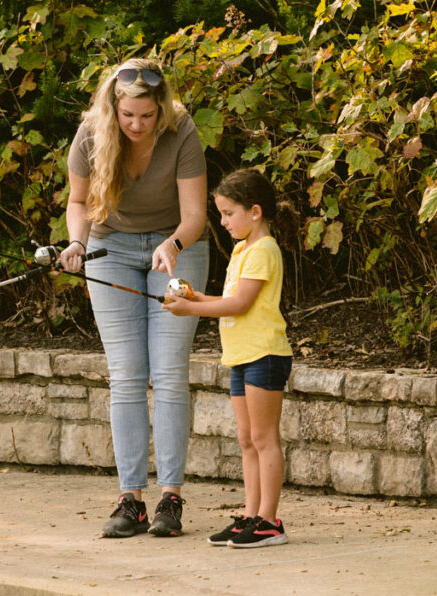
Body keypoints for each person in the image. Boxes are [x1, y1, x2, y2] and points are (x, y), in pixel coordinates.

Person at [57, 58, 209, 538]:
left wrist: (174, 244)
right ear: (113, 107)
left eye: (146, 116)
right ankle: (130, 500)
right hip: (111, 246)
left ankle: (170, 499)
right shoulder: (89, 135)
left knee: (167, 373)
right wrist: (78, 243)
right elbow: (78, 203)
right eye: (128, 116)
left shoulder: (182, 130)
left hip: (175, 247)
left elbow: (195, 215)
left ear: (159, 108)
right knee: (126, 376)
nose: (137, 125)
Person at [163, 168, 294, 548]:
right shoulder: (241, 248)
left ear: (255, 211)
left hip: (265, 354)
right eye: (219, 213)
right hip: (240, 355)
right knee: (246, 438)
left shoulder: (264, 250)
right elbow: (226, 300)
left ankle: (270, 521)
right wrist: (195, 298)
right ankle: (251, 516)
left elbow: (240, 304)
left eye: (227, 213)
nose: (221, 222)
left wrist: (191, 312)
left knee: (264, 438)